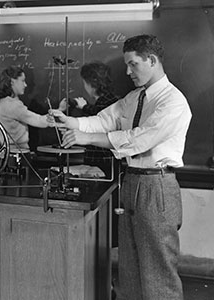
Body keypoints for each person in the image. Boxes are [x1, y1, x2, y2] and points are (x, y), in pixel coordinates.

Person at [49, 34, 192, 300]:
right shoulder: (135, 97)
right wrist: (69, 122)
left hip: (157, 186)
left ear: (152, 60)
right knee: (130, 268)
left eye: (133, 64)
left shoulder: (173, 102)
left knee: (158, 270)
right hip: (132, 182)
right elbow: (106, 119)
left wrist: (87, 138)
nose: (127, 71)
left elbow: (138, 138)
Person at [0, 65, 49, 152]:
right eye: (23, 81)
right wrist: (59, 113)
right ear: (12, 82)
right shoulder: (13, 105)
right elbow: (40, 121)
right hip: (17, 154)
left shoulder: (5, 101)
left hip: (9, 152)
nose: (25, 85)